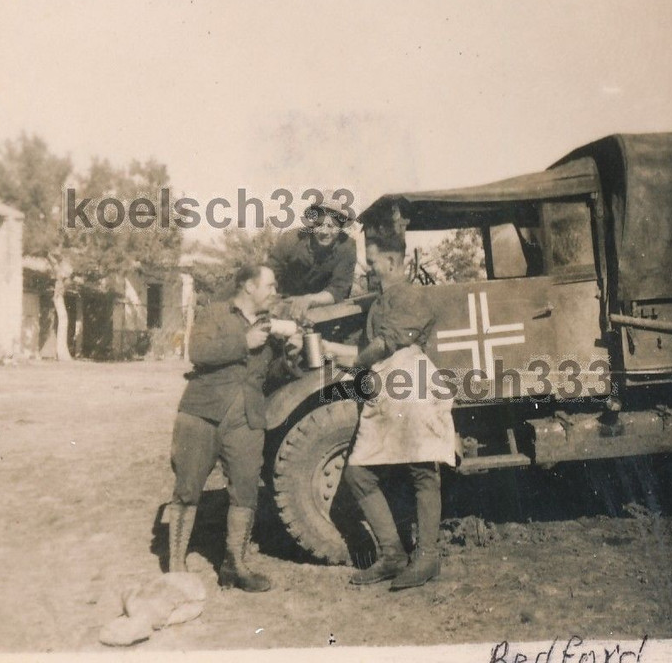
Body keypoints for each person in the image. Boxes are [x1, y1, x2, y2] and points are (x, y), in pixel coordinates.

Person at [330, 230, 456, 591]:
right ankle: (392, 555)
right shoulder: (379, 303)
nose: (368, 271)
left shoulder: (412, 296)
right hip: (386, 388)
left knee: (422, 470)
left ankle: (428, 557)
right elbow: (368, 348)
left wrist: (354, 361)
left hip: (411, 383)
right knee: (358, 473)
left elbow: (384, 345)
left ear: (390, 262)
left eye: (372, 264)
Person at [163, 265, 302, 592]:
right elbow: (197, 351)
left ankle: (235, 565)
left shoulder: (270, 327)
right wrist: (244, 341)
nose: (274, 290)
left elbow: (269, 374)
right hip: (202, 413)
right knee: (188, 487)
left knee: (245, 492)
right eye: (269, 284)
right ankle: (176, 564)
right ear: (249, 287)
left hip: (247, 419)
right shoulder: (214, 313)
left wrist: (291, 359)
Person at [269, 192, 357, 321]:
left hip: (322, 307)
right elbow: (267, 274)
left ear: (340, 227)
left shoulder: (347, 247)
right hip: (284, 303)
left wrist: (308, 300)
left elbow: (338, 290)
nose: (324, 232)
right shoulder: (291, 240)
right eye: (319, 224)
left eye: (331, 226)